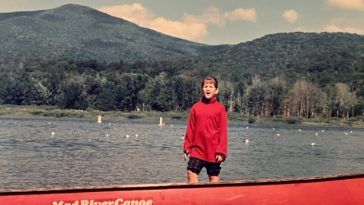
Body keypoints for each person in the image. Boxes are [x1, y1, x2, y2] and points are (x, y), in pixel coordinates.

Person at [183, 75, 228, 184]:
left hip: (213, 150)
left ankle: (214, 199)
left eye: (211, 86)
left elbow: (223, 132)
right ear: (202, 89)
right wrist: (186, 147)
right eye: (205, 86)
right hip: (197, 149)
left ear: (216, 90)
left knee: (213, 177)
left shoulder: (220, 109)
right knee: (191, 172)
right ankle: (194, 199)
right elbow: (190, 128)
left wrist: (221, 151)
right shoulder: (195, 107)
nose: (208, 88)